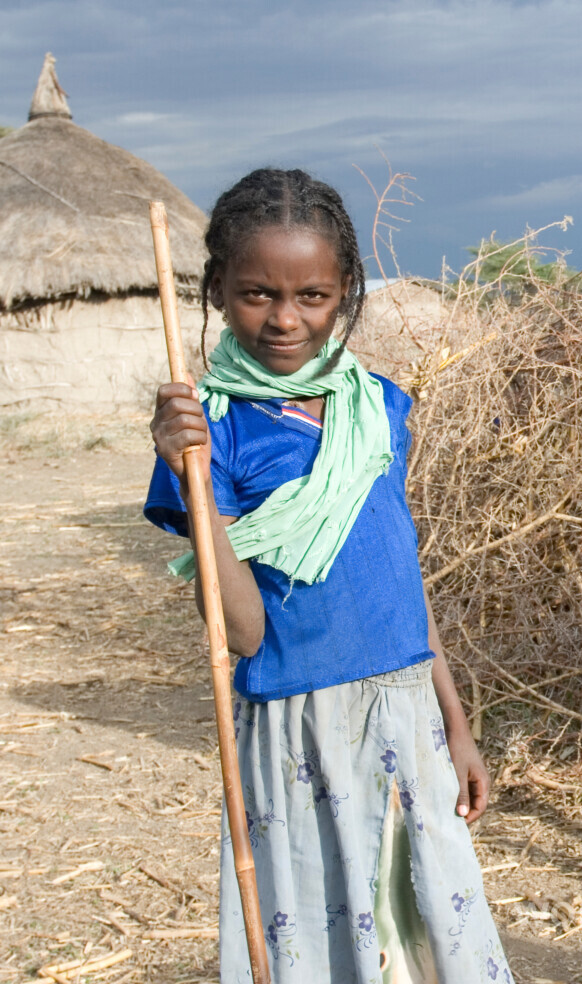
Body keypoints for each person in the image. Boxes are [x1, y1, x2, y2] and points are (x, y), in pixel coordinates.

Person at [145, 168, 514, 983]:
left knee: (428, 935)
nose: (285, 319)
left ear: (345, 293)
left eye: (311, 296)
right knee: (324, 942)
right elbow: (240, 631)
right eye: (256, 295)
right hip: (297, 730)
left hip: (408, 712)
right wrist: (193, 476)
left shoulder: (378, 406)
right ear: (216, 289)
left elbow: (401, 580)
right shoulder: (214, 433)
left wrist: (454, 721)